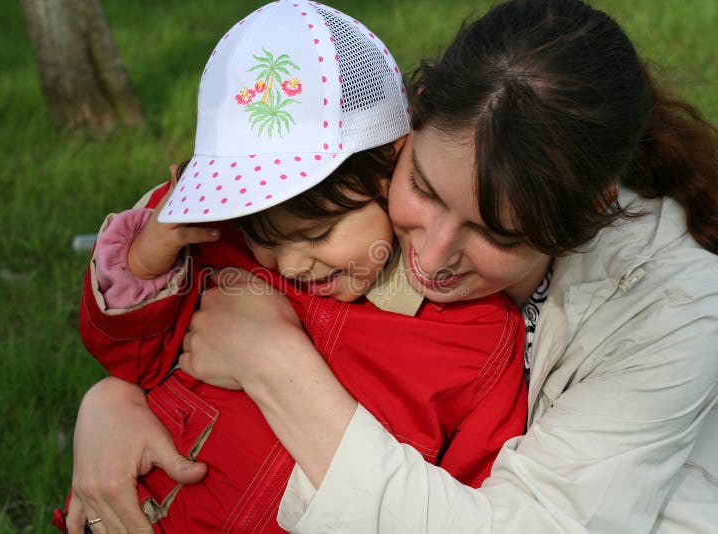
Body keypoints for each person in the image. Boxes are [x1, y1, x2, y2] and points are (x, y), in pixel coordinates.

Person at [68, 0, 718, 531]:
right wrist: (113, 398)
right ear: (410, 119)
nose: (430, 258)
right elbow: (177, 248)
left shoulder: (674, 313)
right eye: (426, 192)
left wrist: (270, 360)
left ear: (590, 209)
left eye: (497, 234)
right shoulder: (345, 171)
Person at [61, 2, 529, 533]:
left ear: (392, 167)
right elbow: (132, 359)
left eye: (318, 235)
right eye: (267, 240)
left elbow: (463, 506)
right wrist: (145, 259)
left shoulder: (473, 339)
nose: (291, 262)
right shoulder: (223, 252)